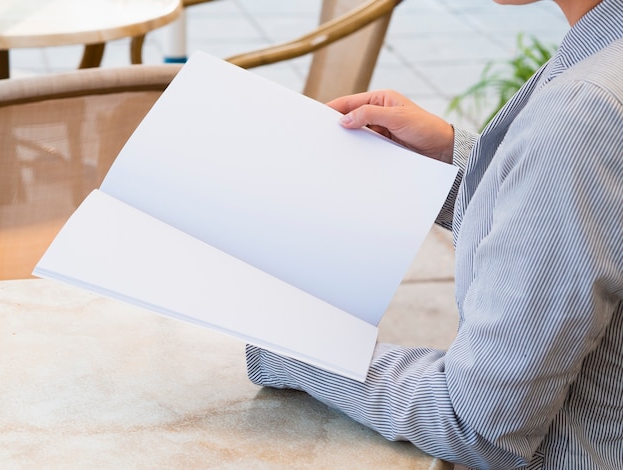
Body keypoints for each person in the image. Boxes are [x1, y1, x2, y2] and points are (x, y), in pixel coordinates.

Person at [245, 0, 623, 468]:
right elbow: (567, 220)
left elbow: (482, 423)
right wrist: (447, 160)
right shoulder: (601, 61)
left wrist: (292, 346)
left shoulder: (583, 110)